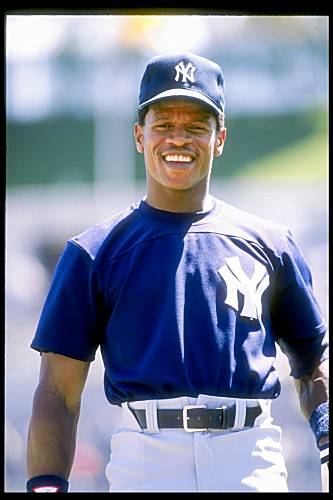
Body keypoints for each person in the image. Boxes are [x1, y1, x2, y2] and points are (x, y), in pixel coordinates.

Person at [26, 53, 329, 493]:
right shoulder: (93, 252)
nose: (178, 139)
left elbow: (312, 364)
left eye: (196, 126)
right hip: (145, 458)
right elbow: (57, 391)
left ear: (220, 137)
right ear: (139, 135)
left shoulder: (271, 244)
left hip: (248, 456)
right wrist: (47, 486)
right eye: (163, 125)